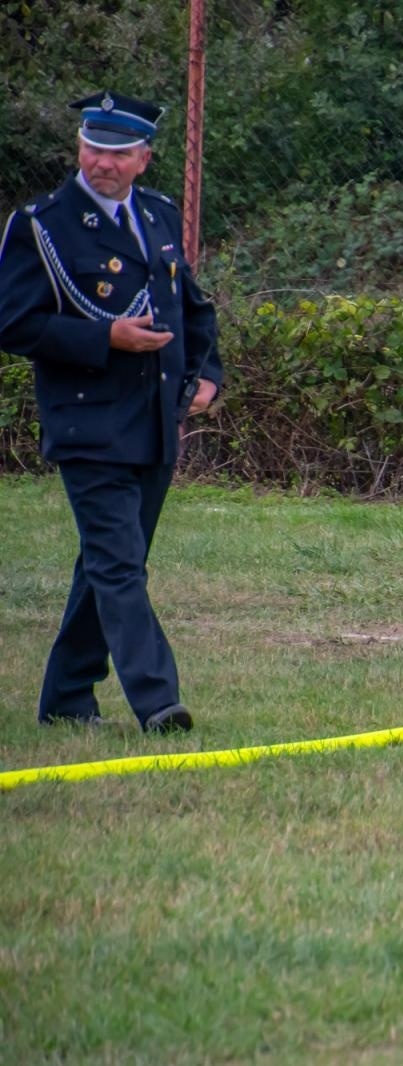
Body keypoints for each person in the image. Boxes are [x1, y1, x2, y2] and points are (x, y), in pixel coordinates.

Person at [0, 90, 223, 733]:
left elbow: (192, 309)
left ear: (144, 159)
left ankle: (67, 698)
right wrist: (105, 339)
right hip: (87, 420)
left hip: (154, 421)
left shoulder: (154, 215)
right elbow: (13, 322)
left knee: (108, 564)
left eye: (118, 153)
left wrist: (207, 376)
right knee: (118, 564)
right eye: (94, 148)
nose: (103, 163)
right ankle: (159, 702)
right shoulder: (41, 224)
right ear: (79, 148)